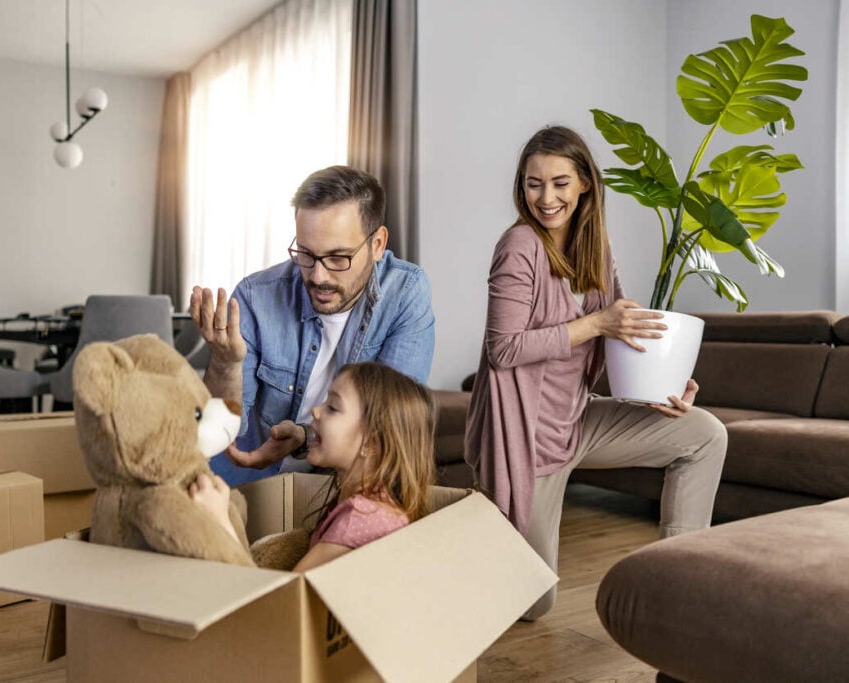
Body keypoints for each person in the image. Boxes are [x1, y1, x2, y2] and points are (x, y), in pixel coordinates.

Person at [464, 125, 727, 620]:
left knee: (705, 435)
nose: (546, 197)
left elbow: (621, 330)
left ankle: (681, 576)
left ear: (585, 182)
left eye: (560, 182)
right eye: (533, 183)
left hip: (577, 421)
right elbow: (503, 348)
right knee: (533, 605)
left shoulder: (595, 249)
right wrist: (594, 322)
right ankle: (460, 547)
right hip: (527, 437)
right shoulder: (519, 245)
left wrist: (664, 384)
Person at [190, 165, 435, 485]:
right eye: (305, 254)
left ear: (377, 244)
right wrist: (225, 363)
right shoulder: (254, 297)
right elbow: (218, 433)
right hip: (251, 483)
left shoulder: (405, 293)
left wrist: (307, 437)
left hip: (348, 482)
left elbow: (391, 424)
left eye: (338, 258)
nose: (318, 276)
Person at [188, 361, 436, 571]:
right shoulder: (374, 506)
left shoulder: (361, 517)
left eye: (333, 407)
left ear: (370, 443)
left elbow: (280, 604)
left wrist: (220, 521)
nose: (316, 411)